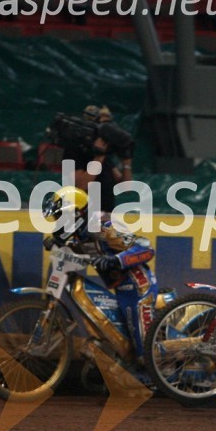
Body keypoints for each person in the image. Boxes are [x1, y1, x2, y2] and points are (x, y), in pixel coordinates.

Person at [42, 186, 157, 360]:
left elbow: (145, 248)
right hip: (121, 288)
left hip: (138, 287)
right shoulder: (80, 233)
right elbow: (76, 248)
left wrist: (116, 260)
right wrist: (56, 242)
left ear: (77, 214)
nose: (58, 223)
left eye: (60, 217)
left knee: (144, 355)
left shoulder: (105, 227)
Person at [64, 105, 134, 213]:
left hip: (105, 216)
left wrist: (126, 162)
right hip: (82, 216)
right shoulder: (74, 149)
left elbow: (125, 188)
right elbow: (79, 186)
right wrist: (99, 157)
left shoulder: (104, 154)